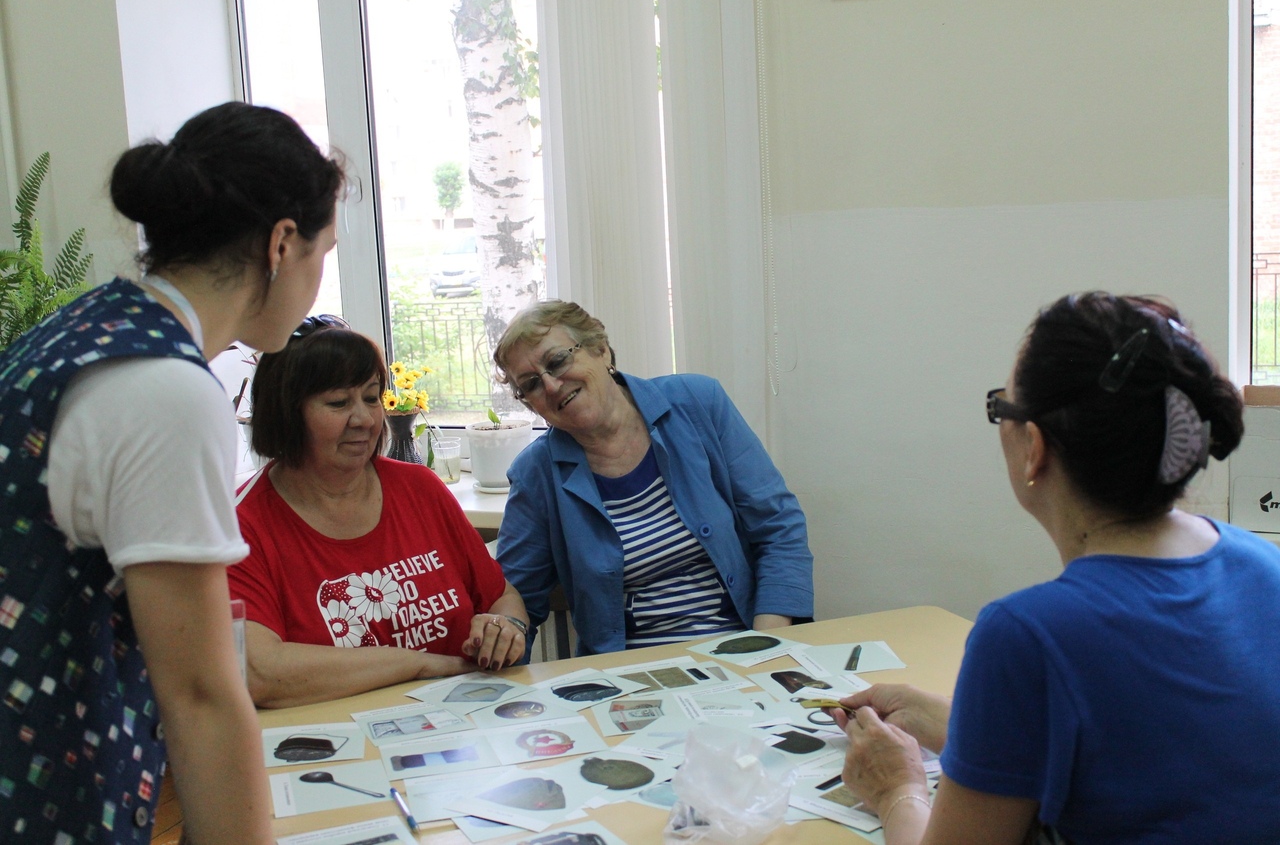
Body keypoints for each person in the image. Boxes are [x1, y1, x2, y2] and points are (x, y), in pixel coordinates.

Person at [0, 102, 344, 843]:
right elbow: (200, 695)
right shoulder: (167, 391)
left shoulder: (83, 330)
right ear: (282, 243)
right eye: (325, 253)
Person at [830, 292, 1280, 844]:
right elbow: (1161, 750)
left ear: (1034, 446)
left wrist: (895, 787)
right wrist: (957, 722)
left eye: (1001, 408)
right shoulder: (1265, 567)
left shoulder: (1027, 636)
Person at [229, 319, 530, 708]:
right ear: (286, 413)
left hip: (462, 724)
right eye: (338, 403)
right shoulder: (242, 525)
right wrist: (418, 665)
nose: (365, 420)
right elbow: (260, 674)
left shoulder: (420, 487)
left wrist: (506, 628)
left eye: (372, 398)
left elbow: (501, 596)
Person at [492, 300, 813, 655]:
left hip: (743, 647)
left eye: (557, 361)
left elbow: (778, 528)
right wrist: (502, 634)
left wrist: (764, 648)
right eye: (532, 384)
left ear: (600, 349)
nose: (552, 386)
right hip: (627, 673)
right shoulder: (536, 473)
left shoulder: (697, 403)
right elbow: (514, 599)